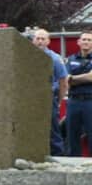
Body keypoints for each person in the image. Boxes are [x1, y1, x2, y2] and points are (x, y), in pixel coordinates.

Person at [31, 28, 68, 156]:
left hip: (48, 99)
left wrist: (59, 101)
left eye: (43, 39)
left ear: (48, 41)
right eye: (37, 38)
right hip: (29, 99)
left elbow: (63, 81)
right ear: (33, 40)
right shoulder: (25, 56)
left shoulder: (55, 58)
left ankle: (58, 157)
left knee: (53, 131)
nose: (40, 41)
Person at [65, 30, 92, 157]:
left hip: (90, 101)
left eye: (89, 40)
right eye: (84, 39)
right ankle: (73, 164)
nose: (86, 42)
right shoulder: (71, 59)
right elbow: (66, 80)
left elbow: (91, 78)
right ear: (78, 42)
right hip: (73, 101)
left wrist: (73, 78)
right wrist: (84, 77)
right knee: (72, 134)